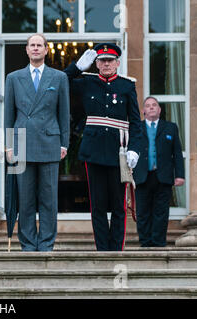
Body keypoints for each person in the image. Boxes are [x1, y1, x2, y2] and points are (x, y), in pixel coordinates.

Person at [64, 43, 143, 251]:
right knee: (97, 205)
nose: (106, 64)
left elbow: (135, 122)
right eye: (102, 60)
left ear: (117, 63)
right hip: (94, 151)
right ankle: (102, 250)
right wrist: (77, 68)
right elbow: (59, 82)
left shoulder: (127, 86)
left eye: (110, 60)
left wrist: (134, 148)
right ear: (96, 63)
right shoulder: (87, 82)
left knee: (118, 205)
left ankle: (116, 250)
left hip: (119, 152)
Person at [4, 34, 70, 252]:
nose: (35, 49)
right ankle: (28, 244)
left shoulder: (59, 77)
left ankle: (46, 243)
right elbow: (8, 115)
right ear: (26, 49)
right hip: (22, 143)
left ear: (46, 50)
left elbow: (64, 113)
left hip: (49, 142)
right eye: (32, 45)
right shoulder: (13, 78)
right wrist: (8, 145)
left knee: (49, 199)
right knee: (25, 198)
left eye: (39, 45)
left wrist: (64, 143)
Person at [133, 96, 185, 247]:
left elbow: (177, 153)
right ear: (143, 111)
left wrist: (180, 175)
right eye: (148, 105)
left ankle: (158, 242)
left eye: (154, 105)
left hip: (163, 176)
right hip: (142, 175)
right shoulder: (136, 128)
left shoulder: (170, 127)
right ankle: (145, 242)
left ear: (159, 110)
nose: (151, 107)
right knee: (143, 212)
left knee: (161, 212)